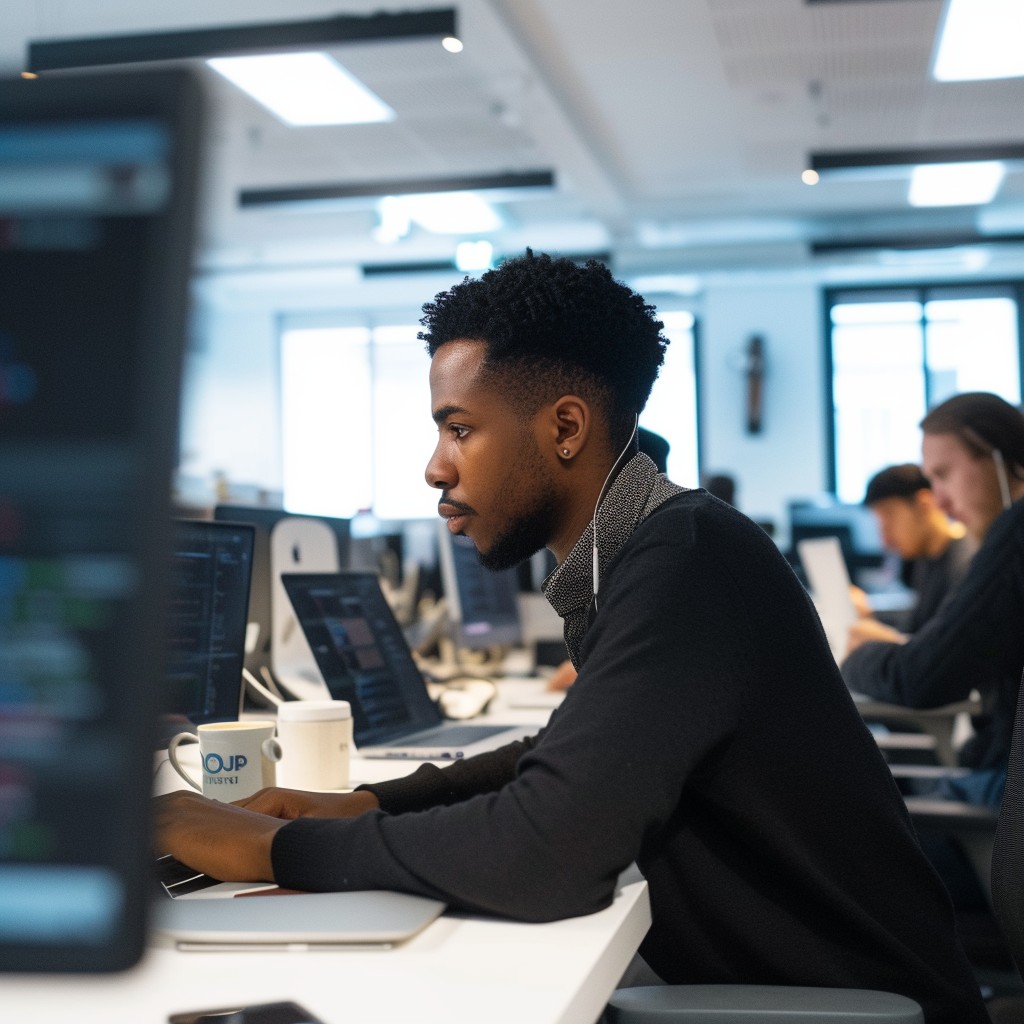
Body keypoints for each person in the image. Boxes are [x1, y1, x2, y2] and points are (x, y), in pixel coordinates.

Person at [156, 252, 987, 1023]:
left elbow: (548, 850)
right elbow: (560, 756)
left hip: (848, 1005)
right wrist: (369, 801)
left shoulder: (686, 562)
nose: (435, 467)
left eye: (459, 428)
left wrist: (277, 848)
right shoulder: (651, 550)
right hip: (790, 985)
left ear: (564, 427)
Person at [842, 393, 1024, 792]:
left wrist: (853, 653)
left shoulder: (1013, 536)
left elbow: (923, 677)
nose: (939, 499)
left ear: (1001, 460)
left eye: (945, 474)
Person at [846, 462, 973, 653]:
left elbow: (949, 651)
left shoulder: (965, 563)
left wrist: (887, 640)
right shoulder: (925, 558)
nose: (885, 539)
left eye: (889, 517)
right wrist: (871, 613)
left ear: (924, 504)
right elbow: (919, 625)